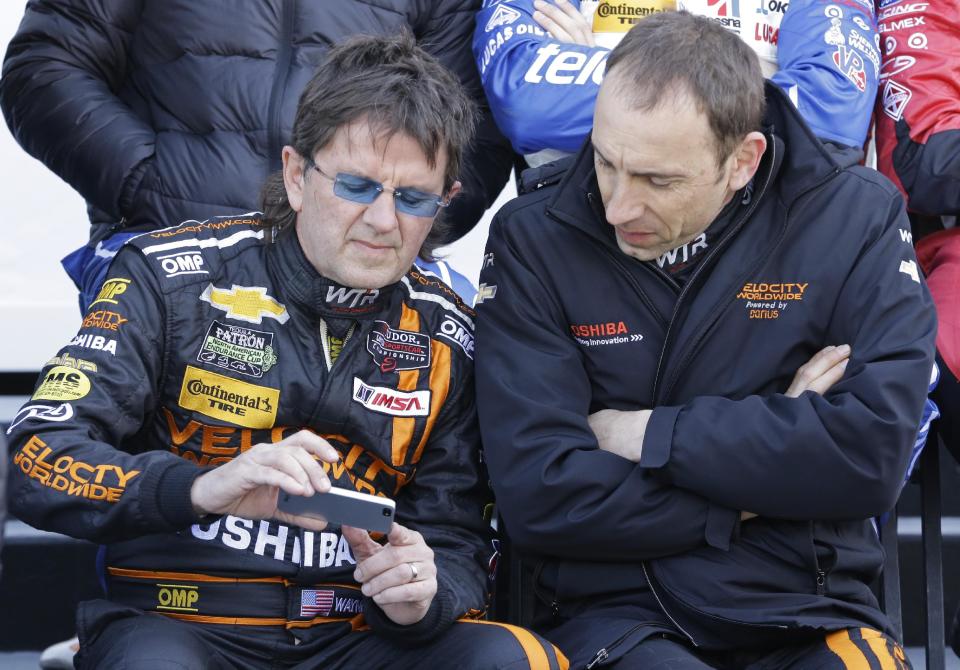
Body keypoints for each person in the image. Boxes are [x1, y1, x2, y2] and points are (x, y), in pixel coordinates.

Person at [6, 34, 566, 670]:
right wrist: (201, 487)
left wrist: (425, 594)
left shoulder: (449, 331)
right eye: (357, 186)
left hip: (359, 636)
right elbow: (34, 458)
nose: (386, 221)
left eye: (413, 199)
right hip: (185, 623)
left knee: (518, 660)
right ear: (297, 175)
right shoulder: (168, 277)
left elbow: (459, 534)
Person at [475, 11, 934, 668]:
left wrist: (645, 435)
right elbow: (542, 496)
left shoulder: (854, 213)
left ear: (743, 160)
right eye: (605, 163)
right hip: (614, 616)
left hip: (810, 609)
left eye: (658, 181)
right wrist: (758, 483)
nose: (616, 207)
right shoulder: (533, 237)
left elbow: (868, 457)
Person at [0, 0, 513, 309]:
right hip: (170, 258)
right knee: (146, 482)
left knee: (348, 484)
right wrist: (150, 184)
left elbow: (469, 122)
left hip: (359, 292)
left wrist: (390, 221)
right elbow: (46, 68)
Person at [473, 0, 879, 167]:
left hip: (763, 257)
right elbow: (527, 101)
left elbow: (831, 116)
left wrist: (600, 68)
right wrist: (757, 82)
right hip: (585, 247)